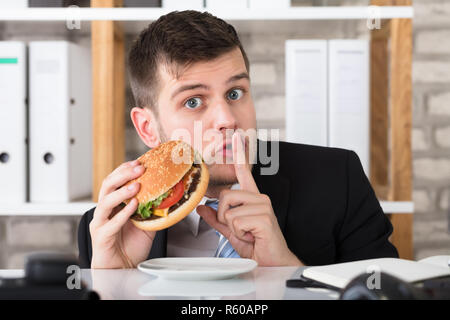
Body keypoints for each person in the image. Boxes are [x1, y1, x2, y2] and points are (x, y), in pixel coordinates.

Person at [78, 10, 398, 269]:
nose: (228, 120)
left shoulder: (338, 179)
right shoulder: (107, 229)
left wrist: (285, 272)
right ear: (148, 128)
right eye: (193, 101)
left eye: (235, 93)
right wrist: (113, 287)